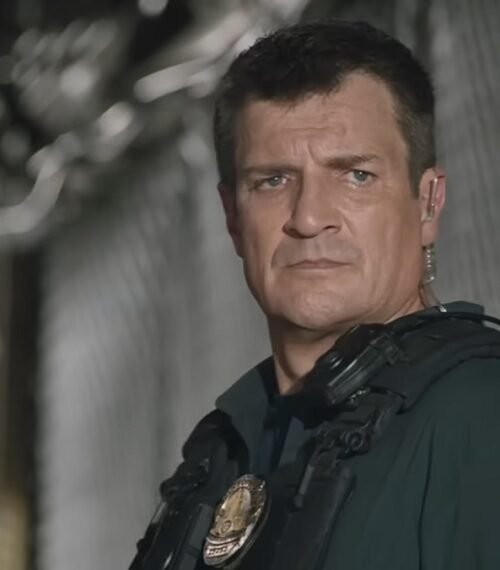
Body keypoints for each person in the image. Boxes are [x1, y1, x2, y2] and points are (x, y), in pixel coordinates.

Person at [131, 20, 500, 570]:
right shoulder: (219, 452)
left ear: (427, 203)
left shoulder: (479, 413)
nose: (307, 218)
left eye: (355, 175)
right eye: (273, 180)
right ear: (232, 218)